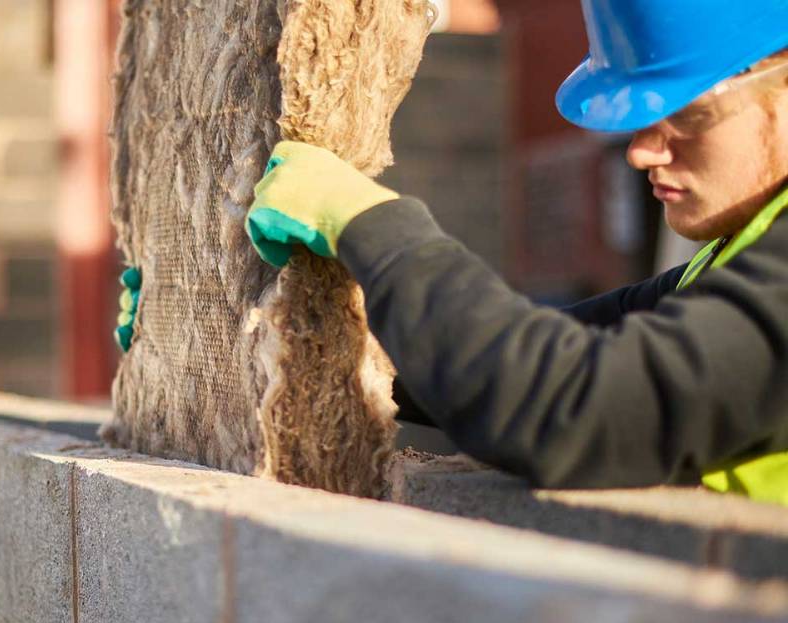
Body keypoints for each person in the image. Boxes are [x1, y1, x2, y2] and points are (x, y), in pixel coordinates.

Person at [245, 0, 788, 503]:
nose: (642, 151)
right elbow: (541, 351)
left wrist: (372, 225)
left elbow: (571, 407)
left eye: (689, 113)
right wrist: (331, 340)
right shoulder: (732, 255)